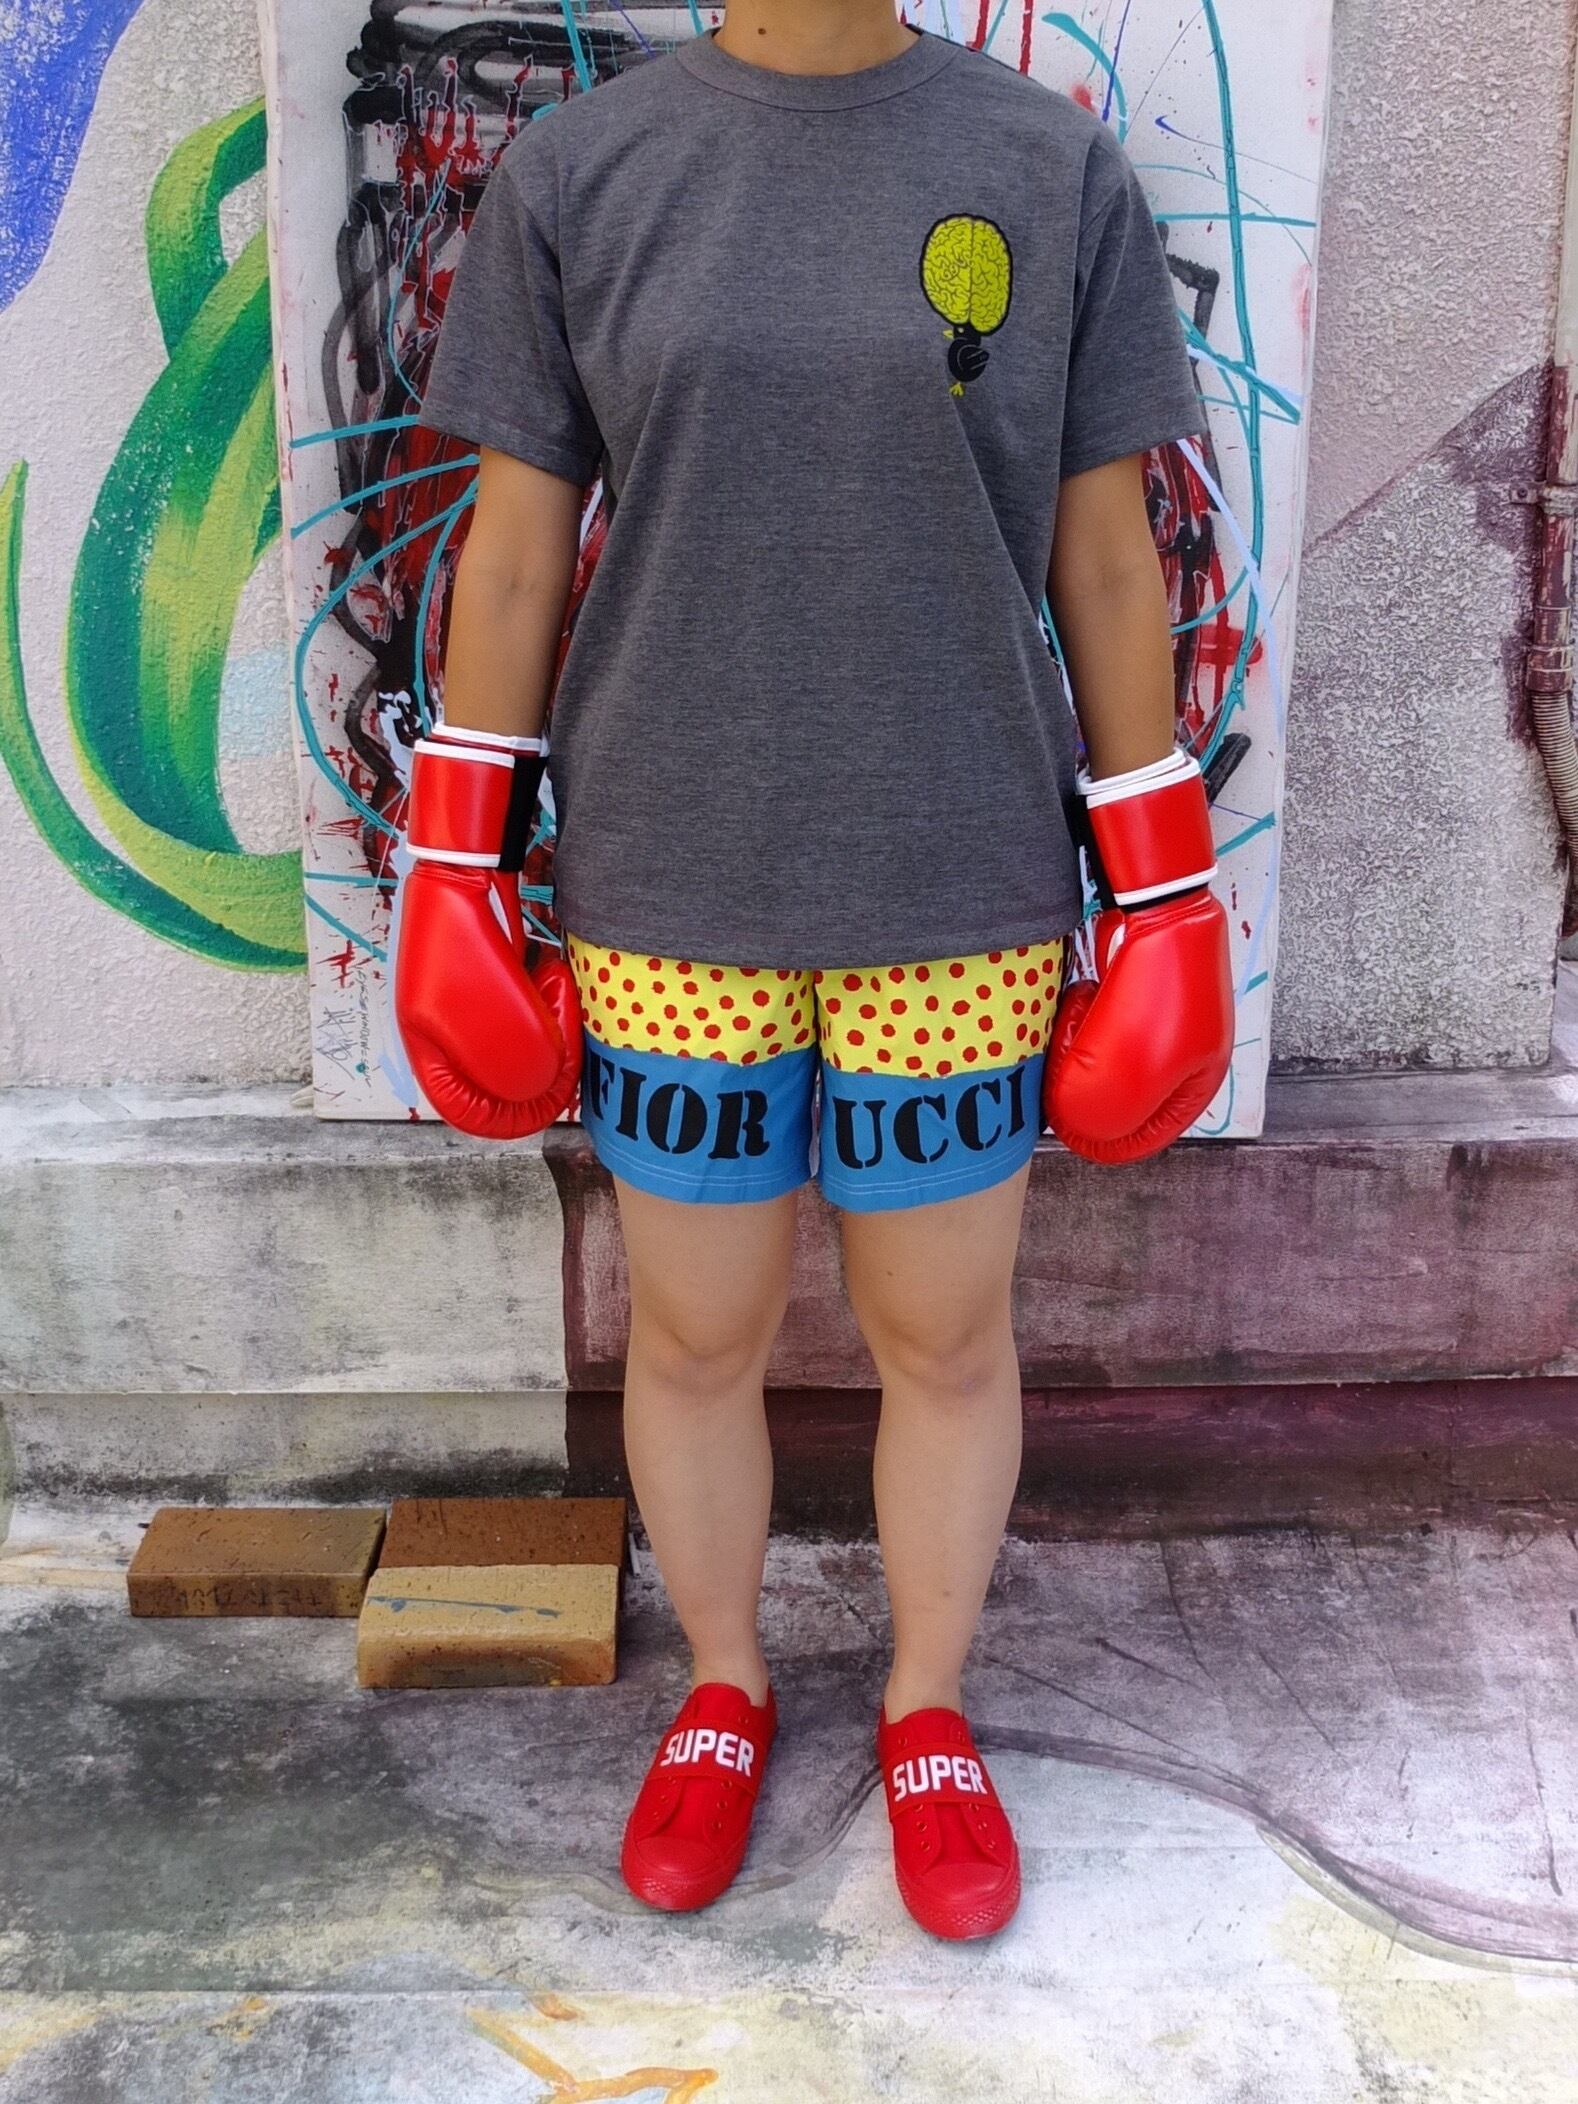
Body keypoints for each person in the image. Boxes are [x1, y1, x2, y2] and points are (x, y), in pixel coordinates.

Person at [399, 0, 1232, 1943]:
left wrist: (1163, 895)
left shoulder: (1049, 173)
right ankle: (724, 1682)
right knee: (694, 1338)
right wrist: (454, 865)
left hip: (959, 879)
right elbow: (512, 560)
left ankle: (926, 1707)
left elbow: (1109, 562)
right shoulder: (579, 178)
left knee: (944, 1337)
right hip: (670, 881)